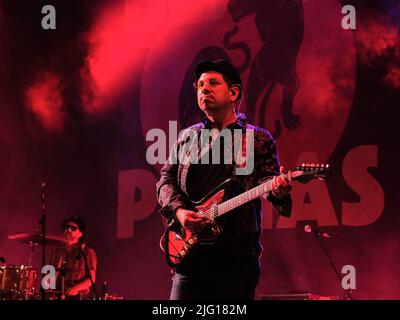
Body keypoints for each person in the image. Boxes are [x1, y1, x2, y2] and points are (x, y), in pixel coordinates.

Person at [156, 59, 293, 300]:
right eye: (199, 85)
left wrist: (278, 191)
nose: (204, 89)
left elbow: (265, 182)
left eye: (212, 83)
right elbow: (165, 181)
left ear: (233, 93)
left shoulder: (255, 139)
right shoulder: (187, 137)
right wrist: (179, 213)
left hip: (235, 260)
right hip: (190, 259)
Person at [46, 216, 97, 300]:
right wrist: (47, 283)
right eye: (66, 227)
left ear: (81, 233)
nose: (68, 230)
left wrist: (76, 288)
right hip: (56, 295)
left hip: (78, 296)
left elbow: (91, 279)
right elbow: (47, 275)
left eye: (73, 228)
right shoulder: (53, 251)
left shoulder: (88, 252)